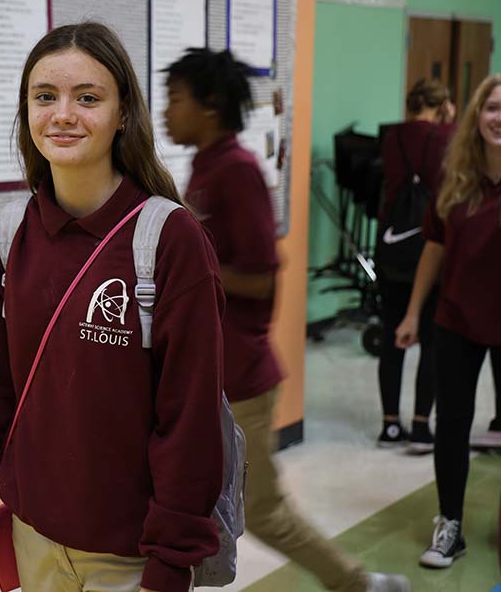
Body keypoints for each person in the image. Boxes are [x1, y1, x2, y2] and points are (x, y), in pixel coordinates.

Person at [0, 22, 226, 592]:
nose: (63, 114)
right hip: (31, 543)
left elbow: (189, 421)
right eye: (45, 96)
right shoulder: (9, 236)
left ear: (123, 114)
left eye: (88, 98)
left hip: (132, 558)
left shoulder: (168, 240)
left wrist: (170, 564)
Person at [163, 47, 411, 592]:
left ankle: (358, 585)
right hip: (204, 377)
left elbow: (262, 279)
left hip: (242, 380)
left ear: (209, 106)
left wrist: (189, 269)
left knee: (263, 511)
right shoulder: (203, 166)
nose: (165, 112)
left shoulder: (238, 171)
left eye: (175, 99)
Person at [396, 73, 501, 568]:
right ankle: (450, 525)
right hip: (456, 319)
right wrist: (414, 312)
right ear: (476, 114)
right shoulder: (454, 177)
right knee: (451, 426)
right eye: (492, 107)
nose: (499, 118)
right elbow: (434, 248)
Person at [375, 79, 455, 453]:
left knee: (393, 335)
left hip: (391, 248)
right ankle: (422, 426)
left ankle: (390, 425)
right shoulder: (443, 138)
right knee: (431, 340)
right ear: (442, 106)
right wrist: (450, 121)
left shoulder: (391, 137)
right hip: (428, 247)